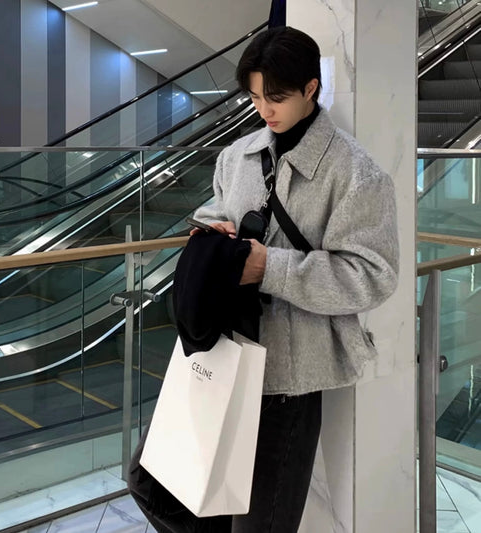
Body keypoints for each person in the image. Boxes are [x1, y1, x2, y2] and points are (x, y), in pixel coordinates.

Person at [128, 26, 399, 533]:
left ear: (311, 89)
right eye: (254, 97)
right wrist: (211, 234)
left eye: (275, 98)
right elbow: (213, 212)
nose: (264, 110)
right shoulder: (238, 156)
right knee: (153, 484)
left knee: (260, 523)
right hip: (221, 355)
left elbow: (372, 275)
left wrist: (268, 267)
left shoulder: (356, 173)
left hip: (289, 380)